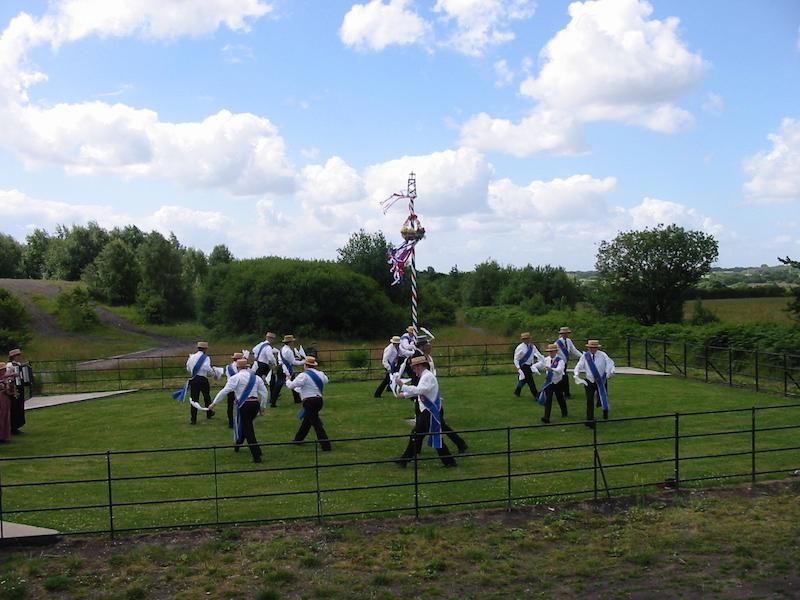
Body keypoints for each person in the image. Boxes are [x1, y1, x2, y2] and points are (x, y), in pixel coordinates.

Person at [394, 356, 457, 468]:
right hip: (427, 411)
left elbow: (420, 390)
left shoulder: (427, 377)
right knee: (417, 434)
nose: (413, 371)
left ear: (419, 366)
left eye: (414, 368)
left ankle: (450, 462)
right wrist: (404, 395)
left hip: (429, 412)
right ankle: (405, 459)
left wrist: (403, 386)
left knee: (433, 436)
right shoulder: (425, 376)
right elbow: (421, 390)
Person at [209, 358, 268, 463]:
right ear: (247, 367)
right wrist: (262, 406)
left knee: (248, 429)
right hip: (255, 404)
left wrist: (214, 403)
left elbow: (225, 391)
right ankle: (239, 444)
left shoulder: (235, 378)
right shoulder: (257, 378)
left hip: (244, 405)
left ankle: (256, 456)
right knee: (246, 426)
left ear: (237, 367)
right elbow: (265, 393)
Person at [288, 356, 332, 451]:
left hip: (309, 401)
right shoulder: (320, 374)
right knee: (308, 420)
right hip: (319, 400)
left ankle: (326, 445)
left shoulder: (303, 375)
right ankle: (298, 439)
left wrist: (287, 380)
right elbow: (326, 380)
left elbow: (292, 386)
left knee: (316, 423)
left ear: (305, 365)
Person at [573, 340, 615, 428]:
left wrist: (609, 372)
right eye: (590, 347)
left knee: (603, 397)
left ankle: (605, 415)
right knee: (589, 400)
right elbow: (579, 365)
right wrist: (576, 374)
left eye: (593, 347)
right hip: (589, 381)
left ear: (597, 348)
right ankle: (590, 420)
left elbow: (610, 363)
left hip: (601, 380)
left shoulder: (603, 355)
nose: (591, 349)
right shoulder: (585, 356)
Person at [532, 344, 567, 424]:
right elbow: (537, 365)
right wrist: (534, 369)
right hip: (549, 382)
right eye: (549, 352)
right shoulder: (546, 359)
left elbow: (560, 370)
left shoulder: (560, 360)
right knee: (548, 399)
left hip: (558, 382)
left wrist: (551, 369)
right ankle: (546, 417)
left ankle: (564, 412)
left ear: (556, 351)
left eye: (552, 351)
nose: (551, 353)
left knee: (560, 397)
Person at [185, 341, 219, 425]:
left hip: (194, 378)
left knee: (194, 399)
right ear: (205, 349)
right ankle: (209, 413)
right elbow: (207, 367)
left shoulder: (191, 357)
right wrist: (214, 373)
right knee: (206, 397)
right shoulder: (205, 357)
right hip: (202, 378)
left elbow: (188, 368)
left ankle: (193, 419)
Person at [554, 327, 582, 399]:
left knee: (562, 378)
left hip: (565, 363)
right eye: (564, 333)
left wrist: (582, 356)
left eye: (567, 333)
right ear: (562, 334)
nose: (566, 335)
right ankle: (566, 394)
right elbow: (554, 353)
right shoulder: (557, 343)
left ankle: (562, 392)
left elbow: (574, 350)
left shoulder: (569, 341)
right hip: (560, 363)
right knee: (564, 378)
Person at [275, 335, 304, 405]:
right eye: (292, 342)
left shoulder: (281, 349)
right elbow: (293, 362)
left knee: (278, 385)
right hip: (286, 369)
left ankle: (273, 401)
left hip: (280, 367)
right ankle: (297, 399)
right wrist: (303, 362)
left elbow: (287, 360)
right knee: (293, 383)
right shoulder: (289, 351)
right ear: (290, 342)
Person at [513, 333, 544, 398]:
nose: (526, 340)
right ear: (522, 340)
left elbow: (537, 354)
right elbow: (516, 359)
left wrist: (543, 360)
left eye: (527, 338)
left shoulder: (532, 346)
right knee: (530, 381)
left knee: (524, 380)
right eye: (525, 339)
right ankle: (536, 395)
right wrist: (518, 368)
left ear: (529, 339)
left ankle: (517, 391)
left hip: (530, 366)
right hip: (523, 366)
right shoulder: (520, 348)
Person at [5, 348, 28, 434]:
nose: (19, 357)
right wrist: (13, 375)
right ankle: (13, 427)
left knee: (20, 406)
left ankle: (17, 425)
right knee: (14, 407)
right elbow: (4, 375)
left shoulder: (19, 364)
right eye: (17, 355)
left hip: (19, 386)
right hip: (13, 387)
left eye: (19, 355)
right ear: (13, 356)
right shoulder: (9, 365)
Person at [252, 332, 278, 404]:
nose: (273, 340)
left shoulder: (261, 344)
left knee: (256, 380)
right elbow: (270, 357)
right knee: (272, 379)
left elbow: (254, 349)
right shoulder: (268, 347)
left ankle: (254, 394)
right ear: (270, 339)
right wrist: (275, 363)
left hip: (259, 363)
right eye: (273, 339)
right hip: (264, 365)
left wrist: (256, 356)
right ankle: (273, 396)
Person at [225, 352, 244, 428]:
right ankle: (240, 420)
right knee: (241, 404)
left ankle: (230, 422)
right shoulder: (242, 367)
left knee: (230, 406)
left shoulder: (228, 367)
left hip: (230, 387)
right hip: (239, 388)